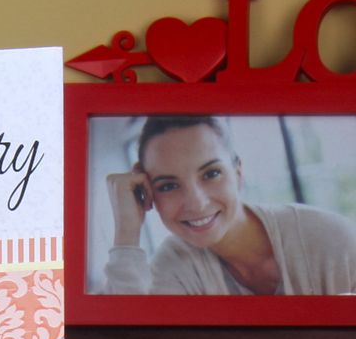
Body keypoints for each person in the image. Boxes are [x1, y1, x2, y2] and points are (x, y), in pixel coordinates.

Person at [102, 114, 356, 295]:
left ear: (238, 172)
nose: (197, 202)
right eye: (168, 186)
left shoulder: (332, 239)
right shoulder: (174, 264)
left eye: (211, 174)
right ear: (148, 194)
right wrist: (126, 232)